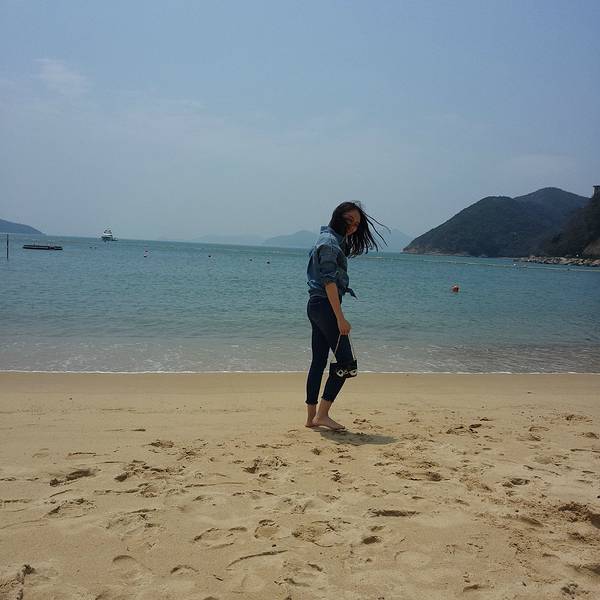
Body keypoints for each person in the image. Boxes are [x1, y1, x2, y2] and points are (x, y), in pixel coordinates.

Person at [305, 201, 386, 430]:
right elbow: (329, 282)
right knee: (346, 363)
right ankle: (322, 415)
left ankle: (311, 418)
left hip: (316, 305)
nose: (352, 226)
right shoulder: (330, 243)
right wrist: (340, 317)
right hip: (325, 306)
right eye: (349, 220)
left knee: (318, 362)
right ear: (337, 216)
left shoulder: (327, 239)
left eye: (356, 223)